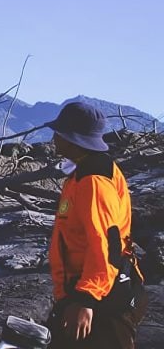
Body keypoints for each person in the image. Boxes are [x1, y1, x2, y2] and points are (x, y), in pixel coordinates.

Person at [45, 102, 147, 349]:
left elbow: (106, 244)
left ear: (73, 138)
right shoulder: (81, 174)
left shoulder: (94, 181)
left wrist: (87, 300)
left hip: (102, 299)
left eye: (59, 132)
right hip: (83, 290)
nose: (54, 137)